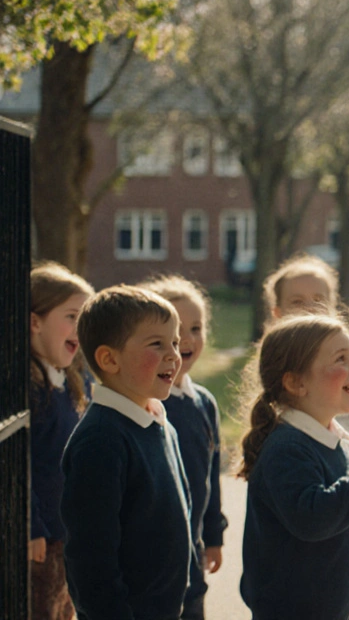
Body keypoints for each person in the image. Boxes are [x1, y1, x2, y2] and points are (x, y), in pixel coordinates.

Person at [237, 313, 349, 620]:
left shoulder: (333, 440)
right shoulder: (287, 449)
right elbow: (312, 517)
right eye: (341, 360)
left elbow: (342, 510)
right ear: (296, 382)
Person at [61, 286, 198, 620]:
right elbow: (90, 560)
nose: (173, 355)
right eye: (157, 344)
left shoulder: (159, 422)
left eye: (175, 343)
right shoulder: (100, 441)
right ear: (110, 359)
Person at [139, 275, 227, 620]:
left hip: (192, 550)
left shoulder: (203, 403)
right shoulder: (144, 405)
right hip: (151, 557)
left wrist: (214, 532)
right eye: (172, 336)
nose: (186, 341)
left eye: (196, 328)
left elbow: (211, 472)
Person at [28, 262, 93, 620]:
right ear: (35, 322)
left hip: (69, 532)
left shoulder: (70, 381)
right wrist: (31, 526)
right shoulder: (30, 389)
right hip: (43, 537)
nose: (79, 329)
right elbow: (20, 466)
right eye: (71, 316)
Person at [262, 252, 341, 320]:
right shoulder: (273, 338)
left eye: (318, 300)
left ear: (332, 308)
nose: (310, 308)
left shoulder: (342, 337)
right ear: (277, 313)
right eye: (297, 302)